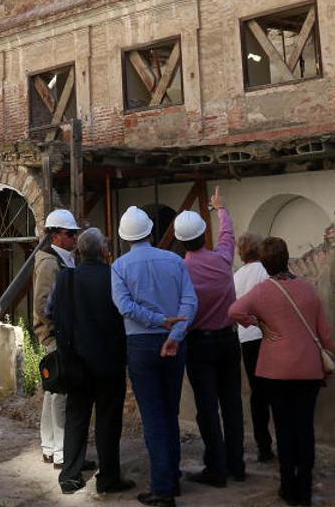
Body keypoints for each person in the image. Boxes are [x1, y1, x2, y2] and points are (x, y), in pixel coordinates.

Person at [229, 237, 335, 507]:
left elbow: (234, 311)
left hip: (275, 371)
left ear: (264, 264)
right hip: (308, 369)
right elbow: (325, 334)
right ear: (287, 257)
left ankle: (288, 487)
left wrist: (259, 324)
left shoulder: (262, 291)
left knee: (285, 429)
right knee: (304, 428)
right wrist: (330, 357)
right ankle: (306, 487)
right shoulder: (308, 289)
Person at [110, 206, 197, 507]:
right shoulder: (175, 260)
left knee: (154, 418)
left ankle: (162, 488)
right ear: (149, 231)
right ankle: (171, 477)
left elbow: (125, 307)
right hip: (173, 343)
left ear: (125, 238)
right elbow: (190, 301)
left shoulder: (119, 267)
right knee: (169, 413)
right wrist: (173, 333)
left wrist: (158, 322)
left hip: (141, 345)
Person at [48, 228, 133, 496]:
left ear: (78, 251)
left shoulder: (66, 278)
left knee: (76, 417)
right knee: (109, 420)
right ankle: (108, 478)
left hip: (76, 361)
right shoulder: (114, 277)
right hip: (110, 359)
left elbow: (50, 310)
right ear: (104, 251)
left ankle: (70, 476)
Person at [176, 186, 245, 488]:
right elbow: (228, 236)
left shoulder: (182, 270)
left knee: (207, 408)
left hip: (199, 344)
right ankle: (237, 464)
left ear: (180, 241)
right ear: (204, 236)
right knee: (232, 405)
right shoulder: (221, 260)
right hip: (229, 340)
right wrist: (221, 208)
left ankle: (216, 468)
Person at [32, 208, 82, 469]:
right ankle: (62, 452)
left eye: (75, 233)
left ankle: (49, 446)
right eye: (70, 233)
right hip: (55, 334)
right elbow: (42, 305)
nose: (75, 238)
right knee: (61, 393)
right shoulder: (51, 262)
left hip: (58, 333)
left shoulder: (62, 258)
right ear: (55, 235)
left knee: (54, 390)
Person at [233, 232, 274, 463]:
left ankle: (263, 445)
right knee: (275, 389)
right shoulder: (266, 271)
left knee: (258, 393)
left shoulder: (236, 276)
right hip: (268, 335)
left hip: (246, 338)